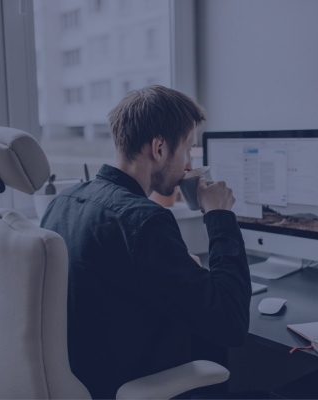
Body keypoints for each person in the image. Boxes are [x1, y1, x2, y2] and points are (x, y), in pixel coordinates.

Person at [41, 85, 251, 399]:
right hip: (132, 385)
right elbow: (231, 323)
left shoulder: (63, 201)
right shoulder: (145, 220)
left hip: (86, 382)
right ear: (159, 148)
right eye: (188, 150)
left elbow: (111, 284)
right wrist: (219, 215)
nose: (190, 166)